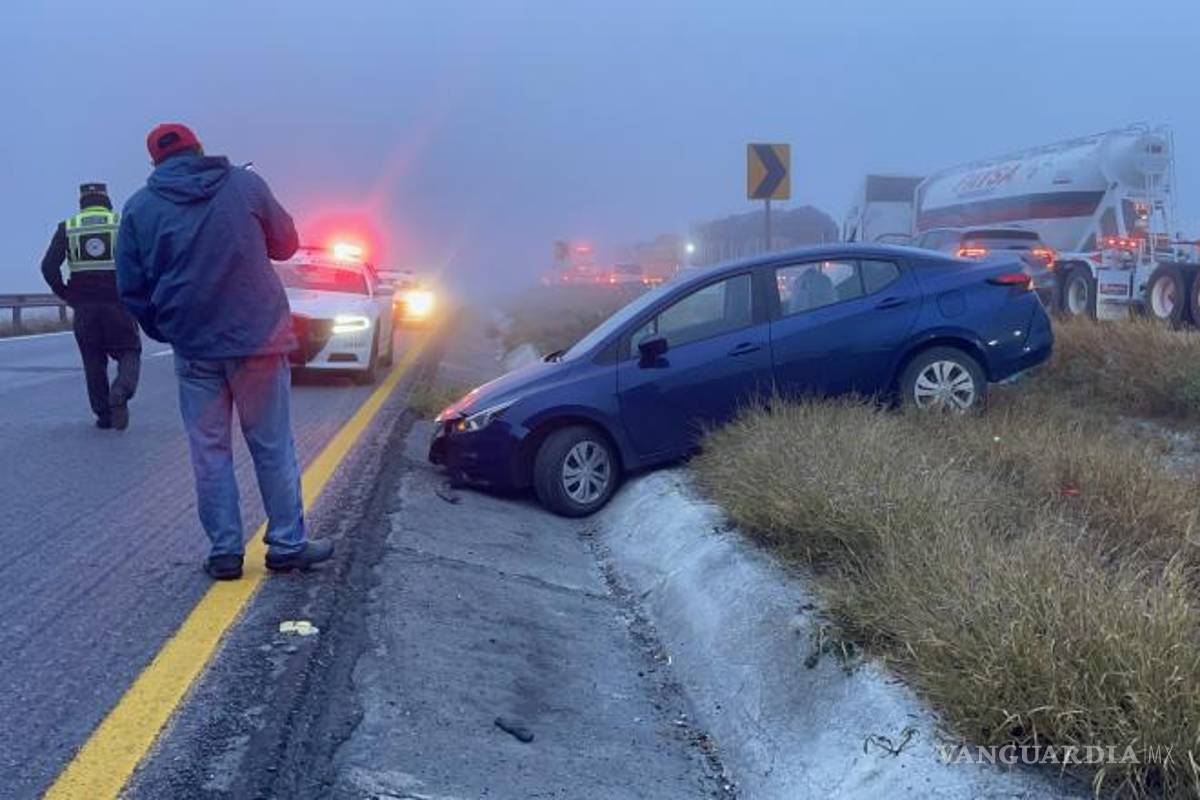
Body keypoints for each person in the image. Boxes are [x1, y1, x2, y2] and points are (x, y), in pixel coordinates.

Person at [116, 122, 333, 580]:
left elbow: (132, 288)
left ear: (155, 162)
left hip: (195, 346)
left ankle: (225, 552)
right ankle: (287, 546)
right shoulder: (245, 184)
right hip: (258, 339)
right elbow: (287, 244)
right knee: (272, 447)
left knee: (209, 452)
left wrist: (166, 328)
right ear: (200, 148)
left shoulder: (139, 208)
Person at [41, 183, 142, 429]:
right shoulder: (121, 223)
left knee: (93, 360)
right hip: (118, 302)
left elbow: (48, 267)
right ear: (106, 199)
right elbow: (141, 259)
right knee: (129, 350)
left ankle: (104, 416)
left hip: (84, 306)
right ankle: (121, 390)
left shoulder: (68, 227)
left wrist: (66, 294)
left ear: (82, 202)